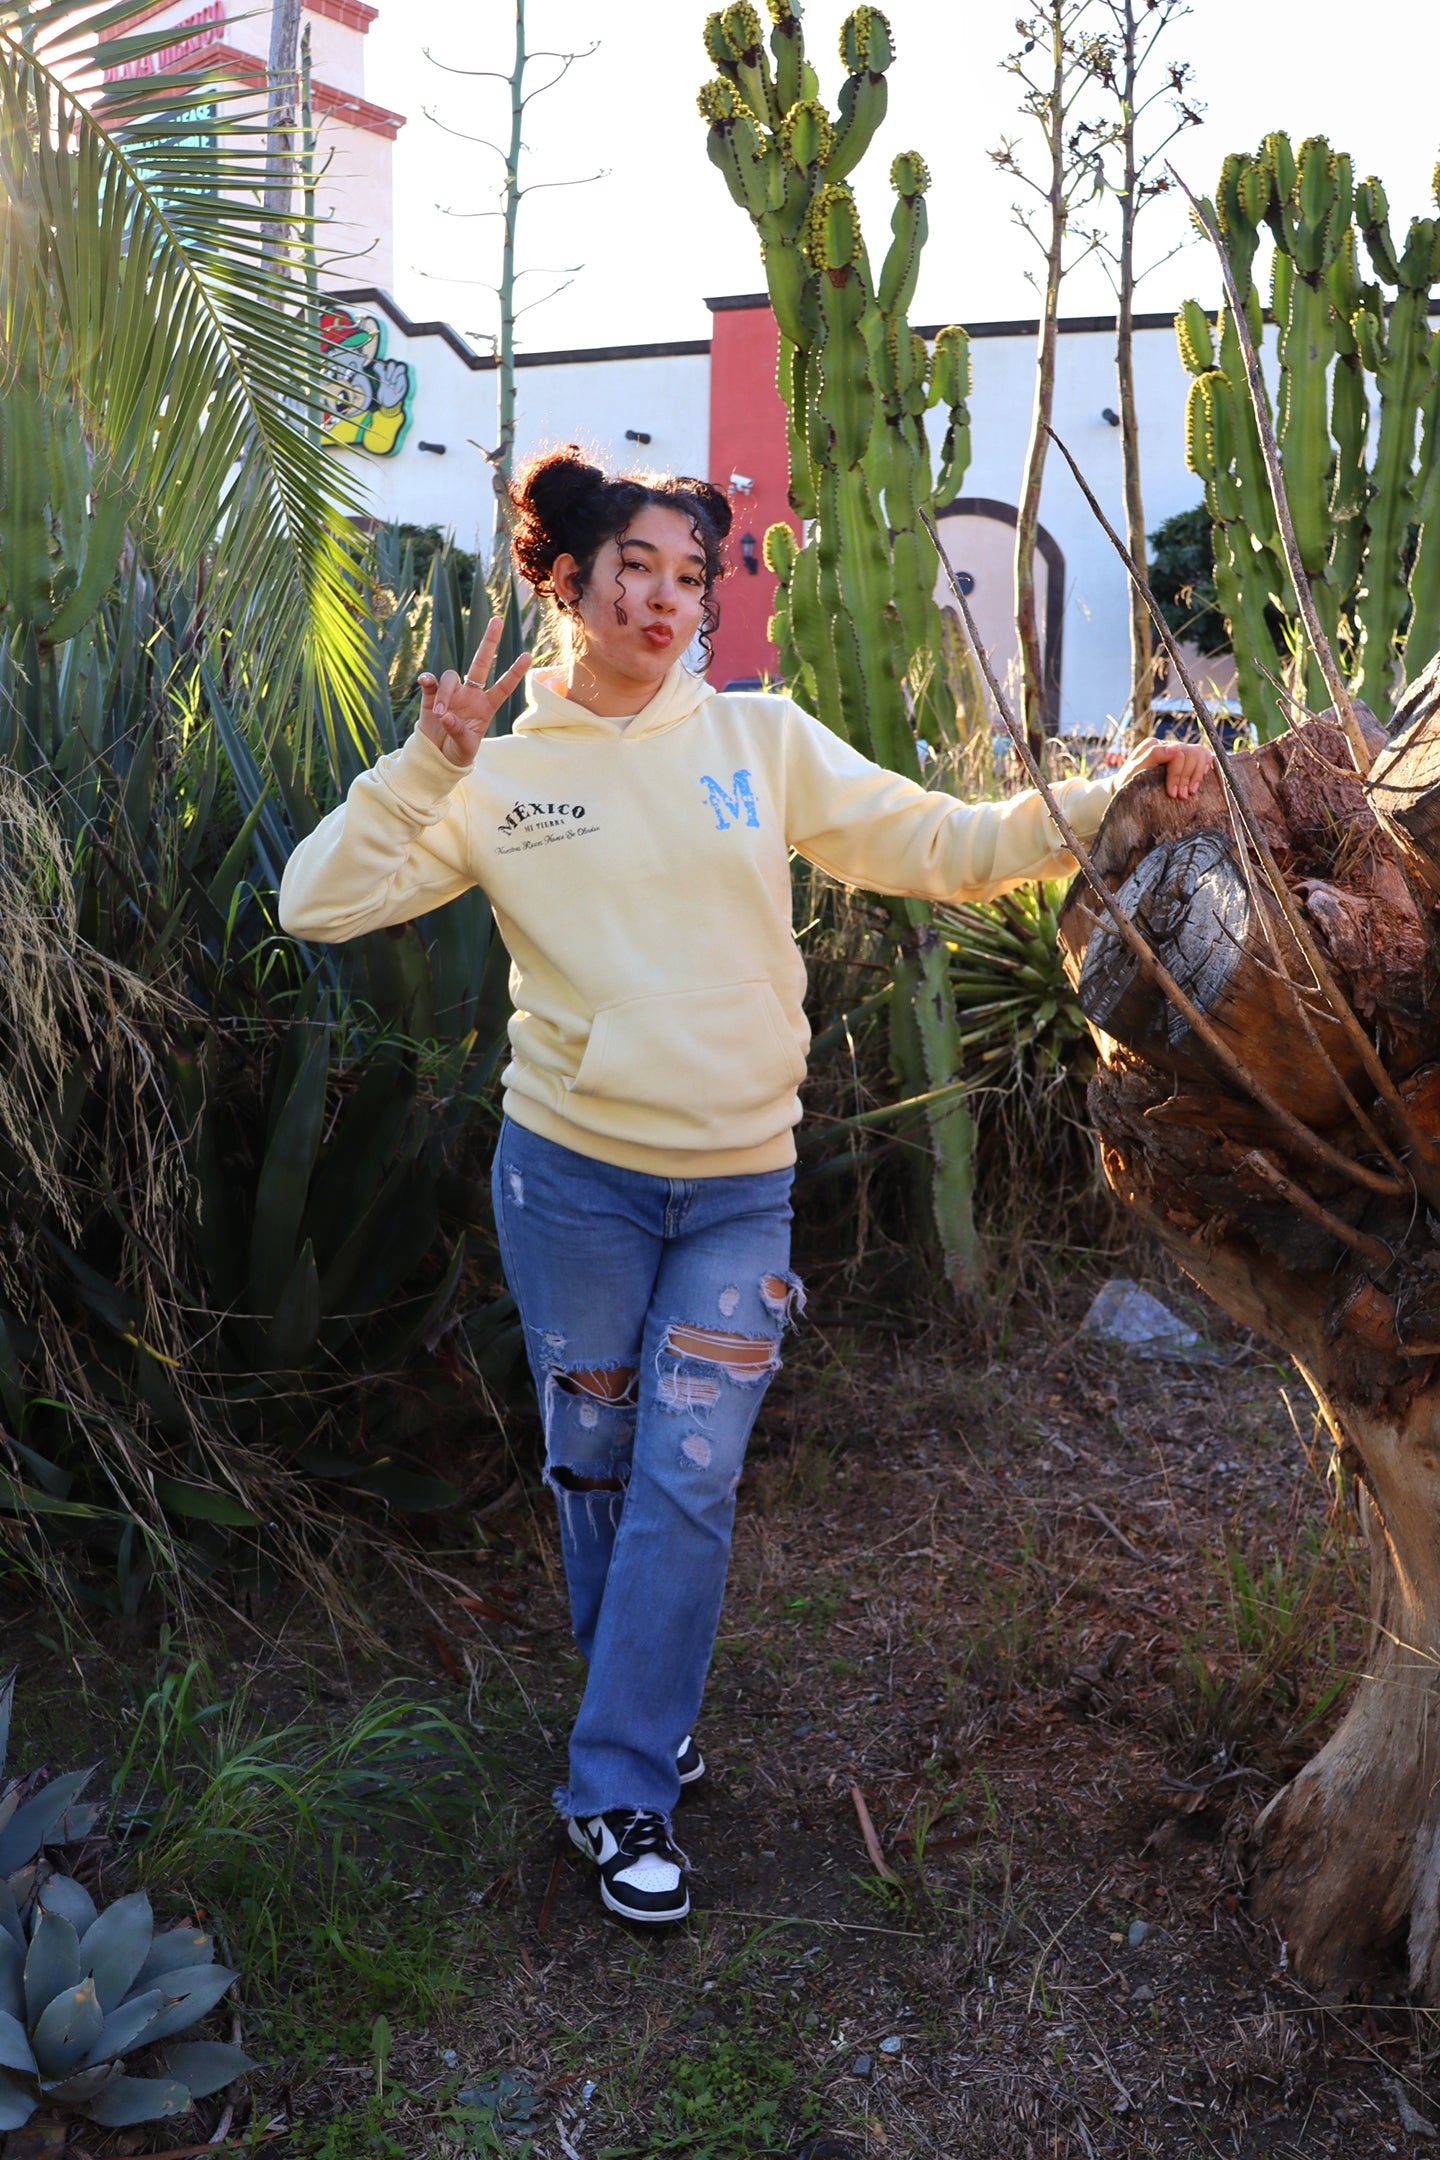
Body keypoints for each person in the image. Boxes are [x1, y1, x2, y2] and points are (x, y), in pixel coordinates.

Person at [279, 447, 1210, 1925]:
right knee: (594, 1463)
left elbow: (939, 843)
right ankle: (640, 1709)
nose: (665, 598)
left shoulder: (758, 739)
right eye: (634, 568)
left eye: (689, 575)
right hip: (571, 1182)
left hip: (734, 1185)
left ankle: (621, 1783)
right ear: (566, 579)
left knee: (689, 1473)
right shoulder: (497, 774)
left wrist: (1109, 797)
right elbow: (317, 901)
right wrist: (424, 768)